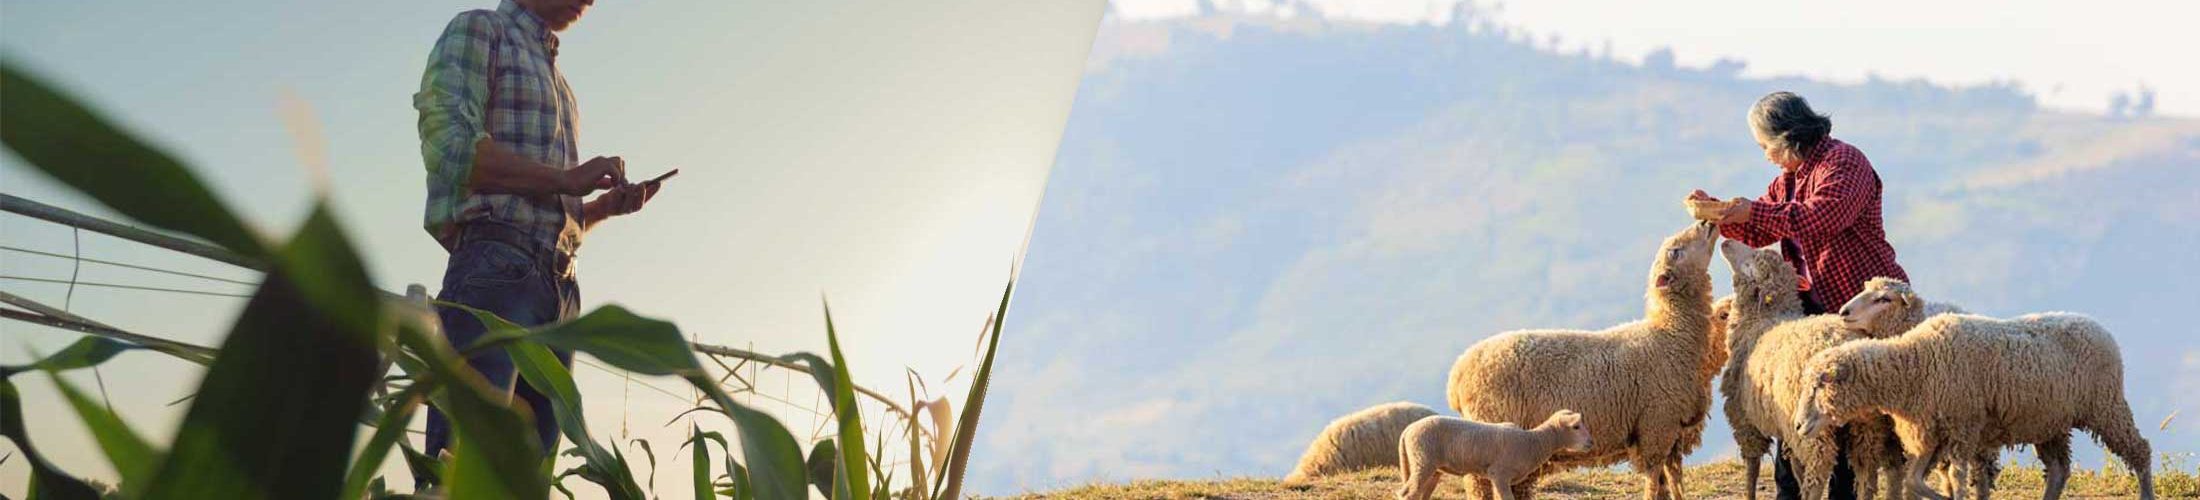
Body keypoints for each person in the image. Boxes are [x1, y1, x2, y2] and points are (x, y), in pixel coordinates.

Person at [412, 0, 662, 483]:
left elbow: (543, 214)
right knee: (460, 474)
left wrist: (604, 209)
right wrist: (565, 178)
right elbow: (449, 146)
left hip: (558, 291)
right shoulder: (481, 29)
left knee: (524, 484)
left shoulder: (563, 89)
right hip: (495, 273)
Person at [1689, 91, 1906, 500]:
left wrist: (1751, 211)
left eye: (1765, 146)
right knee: (1798, 405)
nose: (1766, 155)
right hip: (1811, 314)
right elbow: (1763, 228)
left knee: (1856, 413)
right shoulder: (1789, 177)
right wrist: (1719, 213)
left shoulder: (1844, 163)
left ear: (1787, 137)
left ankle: (1854, 489)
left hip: (1861, 307)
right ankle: (1792, 490)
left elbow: (1823, 217)